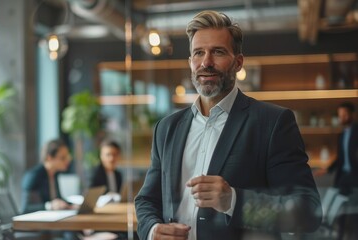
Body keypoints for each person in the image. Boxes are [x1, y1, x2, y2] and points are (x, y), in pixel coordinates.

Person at [134, 10, 322, 240]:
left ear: (238, 62)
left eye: (218, 52)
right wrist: (153, 229)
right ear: (190, 62)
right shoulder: (166, 128)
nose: (206, 62)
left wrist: (233, 200)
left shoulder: (273, 123)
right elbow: (147, 200)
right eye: (198, 53)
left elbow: (307, 211)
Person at [21, 138, 75, 213]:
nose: (67, 161)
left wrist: (73, 205)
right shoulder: (34, 176)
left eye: (67, 157)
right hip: (35, 222)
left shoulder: (55, 174)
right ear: (49, 158)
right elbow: (27, 208)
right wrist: (49, 206)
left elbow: (57, 199)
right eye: (63, 158)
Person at [315, 102, 358, 195]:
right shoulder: (342, 135)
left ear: (352, 114)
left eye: (344, 114)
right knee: (337, 200)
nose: (342, 117)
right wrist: (327, 169)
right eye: (340, 115)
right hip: (343, 175)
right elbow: (340, 157)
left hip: (355, 175)